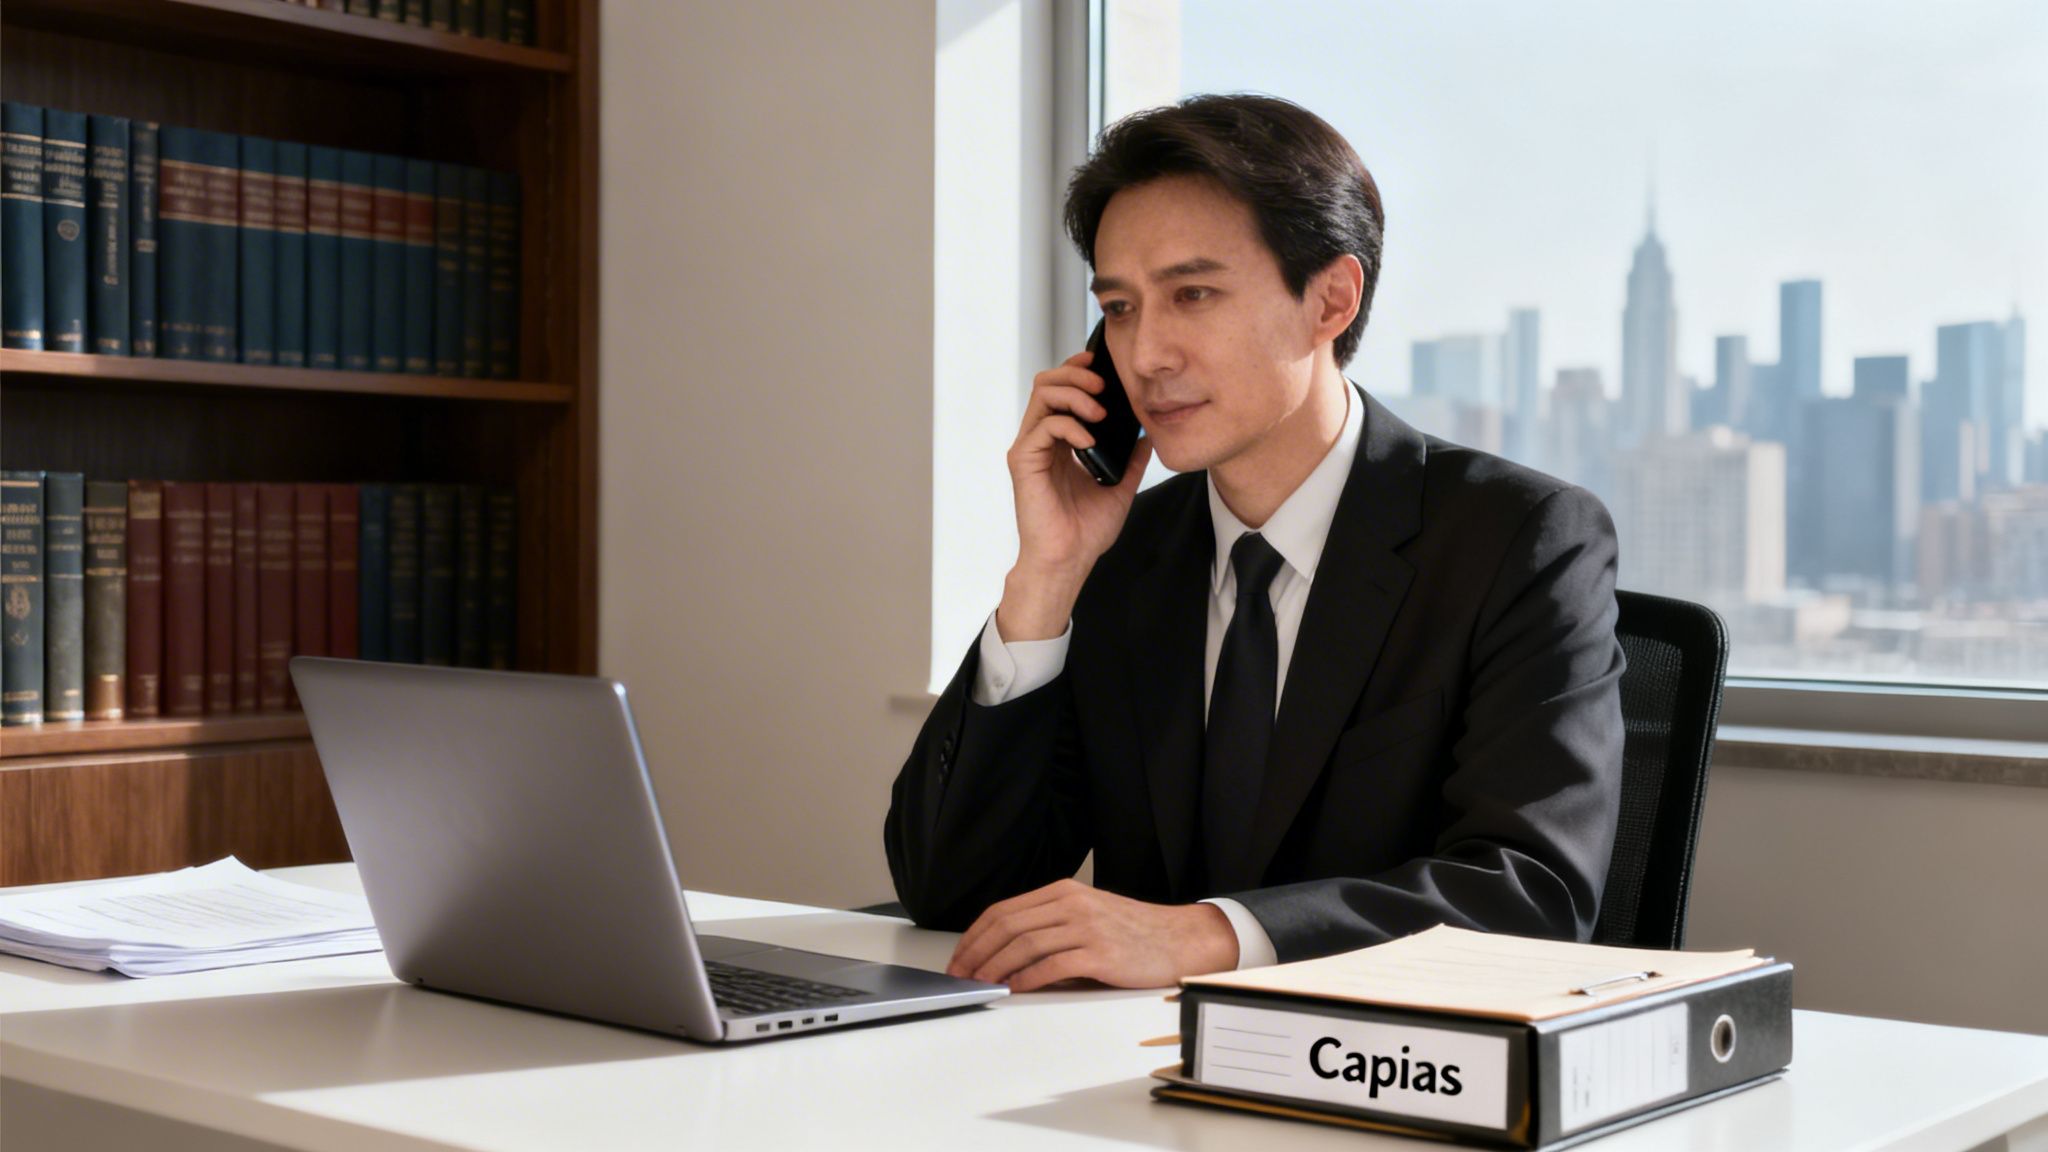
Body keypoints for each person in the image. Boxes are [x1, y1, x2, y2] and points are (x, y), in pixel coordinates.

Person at [885, 94, 1623, 992]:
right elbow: (949, 890)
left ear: (1331, 300)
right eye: (1119, 307)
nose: (1145, 355)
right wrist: (1046, 575)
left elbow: (1530, 895)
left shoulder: (1518, 540)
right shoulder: (1125, 556)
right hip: (1120, 1063)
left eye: (1192, 294)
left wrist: (1209, 937)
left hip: (1371, 1063)